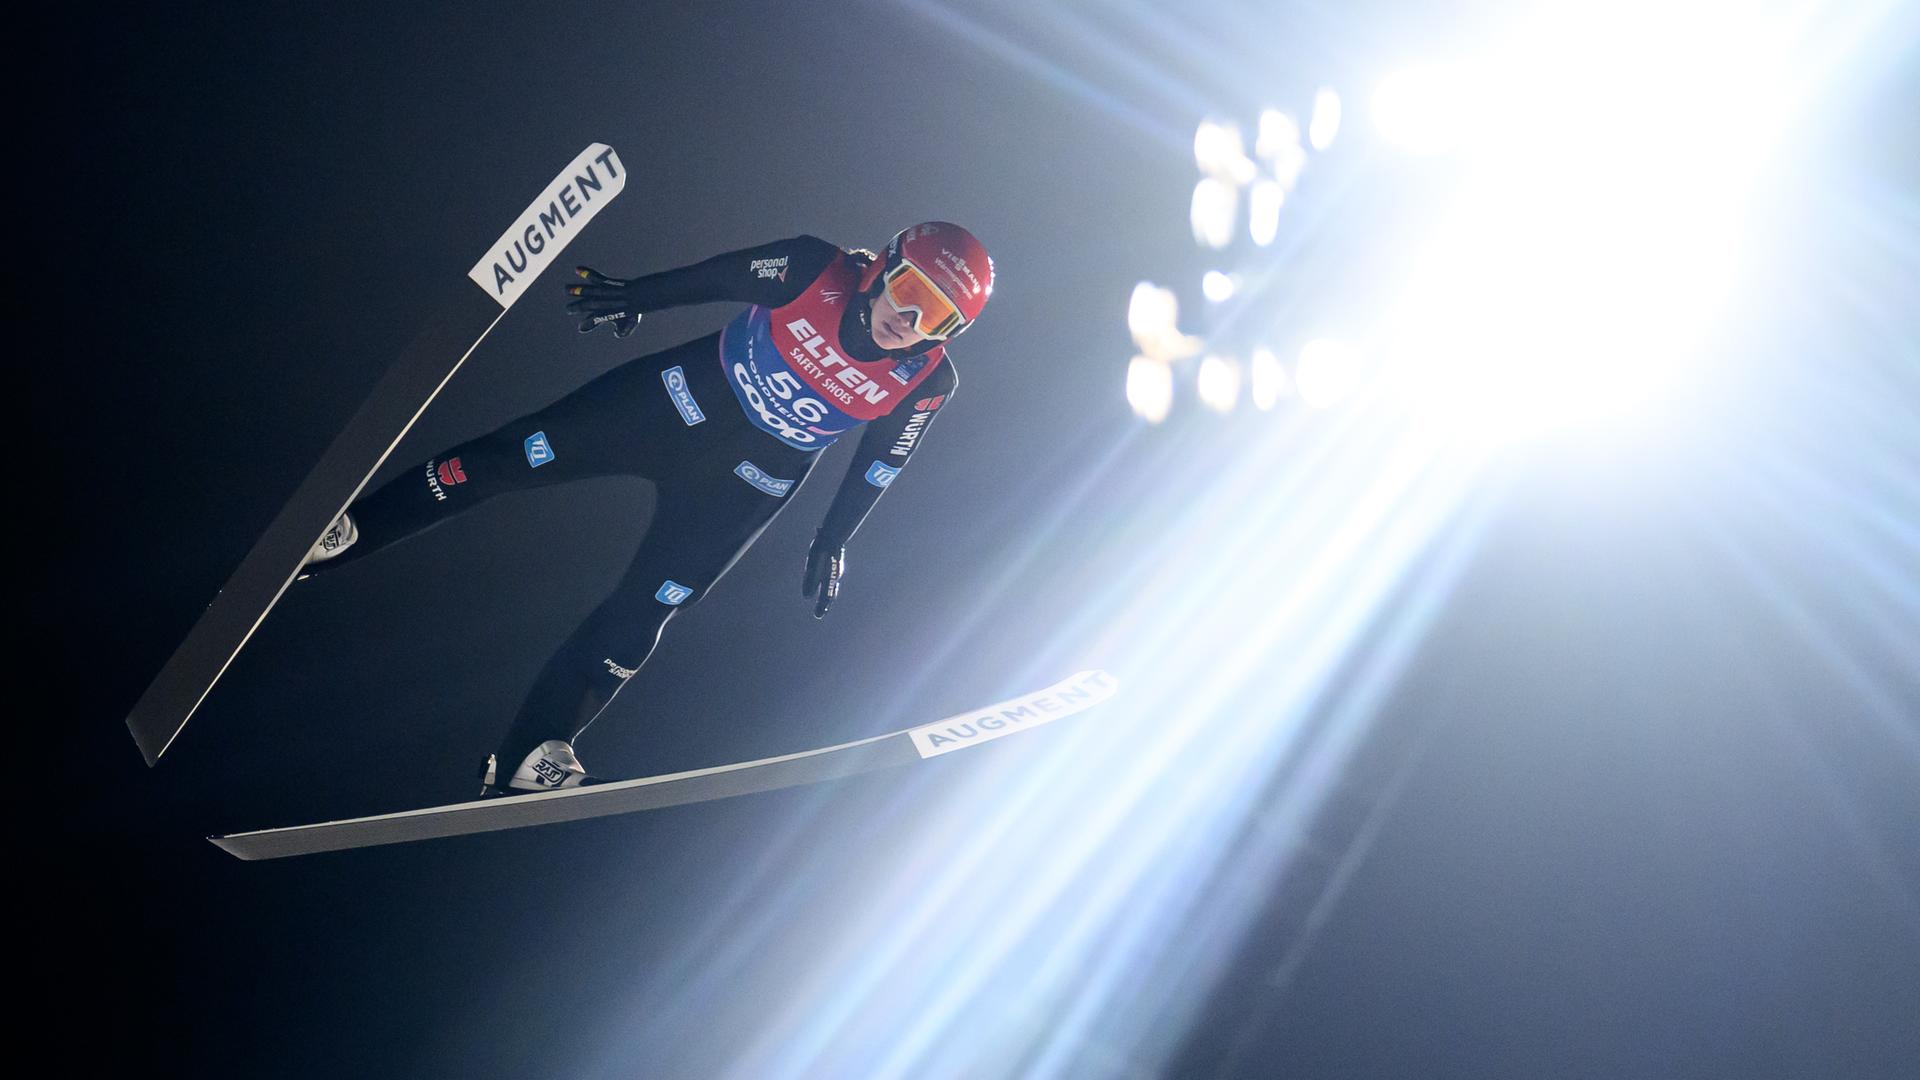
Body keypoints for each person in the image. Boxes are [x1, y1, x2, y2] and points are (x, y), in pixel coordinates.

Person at [298, 222, 993, 793]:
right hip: (670, 405)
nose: (909, 322)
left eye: (938, 318)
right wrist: (635, 296)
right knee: (508, 459)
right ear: (883, 268)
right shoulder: (816, 269)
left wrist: (834, 537)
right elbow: (719, 276)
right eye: (909, 293)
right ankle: (350, 534)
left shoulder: (926, 379)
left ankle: (532, 753)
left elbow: (882, 462)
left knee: (650, 608)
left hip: (748, 482)